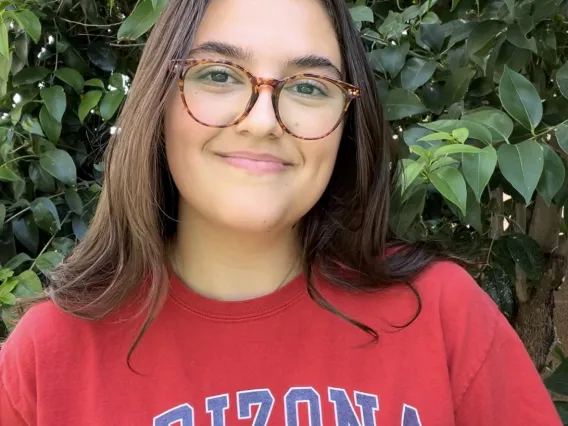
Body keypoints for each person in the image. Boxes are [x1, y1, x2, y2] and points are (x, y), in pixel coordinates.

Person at [0, 0, 562, 424]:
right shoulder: (49, 357)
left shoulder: (441, 316)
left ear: (346, 128)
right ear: (159, 101)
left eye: (310, 87)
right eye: (218, 74)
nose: (263, 120)